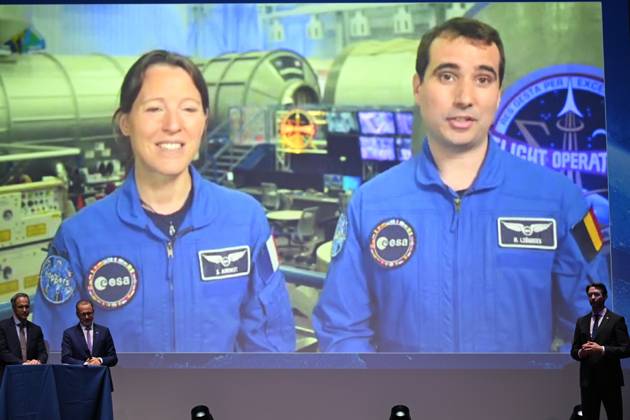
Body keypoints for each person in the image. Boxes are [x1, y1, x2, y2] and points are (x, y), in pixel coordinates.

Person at [313, 17, 608, 352]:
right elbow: (342, 331)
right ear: (418, 86)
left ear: (498, 94)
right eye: (447, 76)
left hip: (519, 404)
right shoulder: (370, 205)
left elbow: (593, 330)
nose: (464, 97)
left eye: (483, 79)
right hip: (406, 404)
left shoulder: (559, 200)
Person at [34, 50, 295, 352]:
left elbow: (270, 344)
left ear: (204, 121)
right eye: (155, 109)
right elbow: (59, 359)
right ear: (125, 122)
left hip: (221, 400)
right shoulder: (79, 238)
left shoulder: (244, 220)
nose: (173, 124)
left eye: (189, 108)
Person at [571, 283, 630, 420]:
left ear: (605, 297)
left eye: (596, 294)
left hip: (610, 380)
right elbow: (574, 350)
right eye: (590, 295)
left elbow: (626, 349)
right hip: (588, 382)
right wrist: (581, 353)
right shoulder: (582, 321)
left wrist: (602, 349)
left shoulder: (616, 320)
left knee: (615, 416)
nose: (592, 297)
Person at [0, 293, 48, 379]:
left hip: (31, 375)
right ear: (14, 308)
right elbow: (3, 352)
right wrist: (22, 363)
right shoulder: (2, 327)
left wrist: (38, 361)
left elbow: (43, 353)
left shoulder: (36, 329)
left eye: (27, 306)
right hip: (8, 376)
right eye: (21, 307)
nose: (25, 310)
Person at [62, 300, 118, 366]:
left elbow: (113, 358)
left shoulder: (104, 331)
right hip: (78, 374)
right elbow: (65, 358)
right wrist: (85, 364)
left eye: (89, 313)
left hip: (100, 374)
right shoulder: (69, 334)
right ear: (77, 315)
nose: (87, 317)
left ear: (93, 312)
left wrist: (99, 360)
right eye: (83, 314)